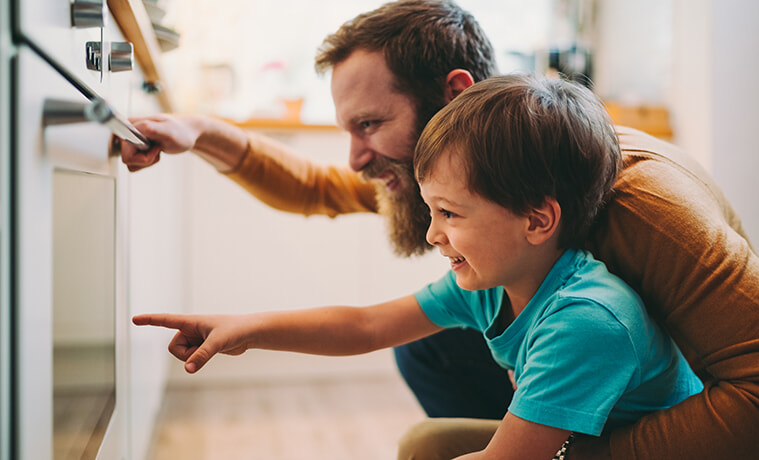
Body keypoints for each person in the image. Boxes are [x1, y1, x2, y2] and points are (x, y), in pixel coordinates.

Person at [118, 1, 759, 458]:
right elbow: (327, 212)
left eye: (369, 124)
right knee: (426, 346)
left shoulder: (637, 209)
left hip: (689, 413)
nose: (355, 159)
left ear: (453, 95)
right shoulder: (485, 181)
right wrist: (199, 132)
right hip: (592, 370)